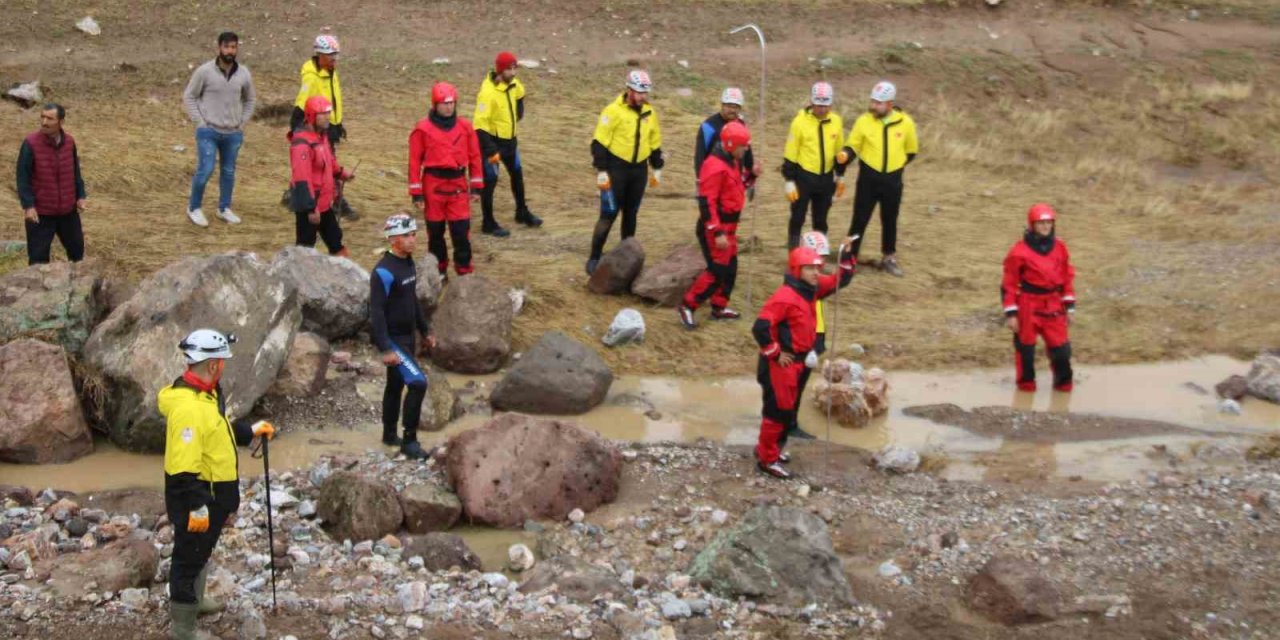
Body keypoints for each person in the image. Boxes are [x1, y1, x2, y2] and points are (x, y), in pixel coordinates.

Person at [159, 329, 274, 640]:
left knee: (201, 550)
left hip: (212, 495)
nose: (224, 366)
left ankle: (194, 601)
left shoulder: (205, 394)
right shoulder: (189, 408)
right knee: (188, 556)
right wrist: (197, 507)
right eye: (222, 362)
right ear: (212, 365)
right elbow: (183, 469)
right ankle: (183, 629)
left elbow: (217, 434)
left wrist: (251, 430)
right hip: (200, 498)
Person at [752, 241, 856, 479]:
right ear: (797, 270)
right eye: (810, 268)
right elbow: (760, 328)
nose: (816, 273)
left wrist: (847, 258)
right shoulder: (784, 298)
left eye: (817, 268)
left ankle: (771, 450)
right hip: (781, 366)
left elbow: (840, 281)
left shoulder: (811, 289)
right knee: (777, 412)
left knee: (786, 411)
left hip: (797, 364)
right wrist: (775, 353)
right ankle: (767, 459)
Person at [370, 213, 436, 460]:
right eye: (406, 235)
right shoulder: (383, 272)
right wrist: (385, 348)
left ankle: (388, 435)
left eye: (414, 234)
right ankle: (409, 441)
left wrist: (425, 330)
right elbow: (375, 312)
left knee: (395, 385)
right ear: (393, 238)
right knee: (418, 383)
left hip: (408, 336)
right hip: (394, 339)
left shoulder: (408, 263)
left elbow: (412, 300)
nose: (412, 240)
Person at [587, 70, 664, 275]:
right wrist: (601, 170)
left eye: (646, 93)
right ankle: (595, 256)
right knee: (608, 214)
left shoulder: (650, 113)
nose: (643, 97)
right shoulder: (612, 111)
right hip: (616, 169)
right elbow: (599, 142)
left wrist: (657, 167)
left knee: (631, 214)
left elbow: (654, 141)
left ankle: (627, 258)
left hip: (638, 170)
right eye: (639, 92)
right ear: (629, 89)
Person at [839, 80, 919, 277]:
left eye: (878, 103)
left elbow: (911, 152)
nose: (873, 106)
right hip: (868, 178)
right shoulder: (864, 121)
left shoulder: (905, 123)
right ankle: (849, 260)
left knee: (890, 219)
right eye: (872, 101)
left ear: (890, 104)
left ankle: (889, 258)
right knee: (859, 219)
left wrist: (895, 167)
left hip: (893, 179)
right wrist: (846, 156)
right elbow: (853, 146)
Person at [678, 121, 751, 329]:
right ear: (730, 144)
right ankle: (688, 305)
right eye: (742, 146)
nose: (745, 150)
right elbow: (706, 202)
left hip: (729, 227)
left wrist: (752, 174)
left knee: (731, 267)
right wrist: (717, 232)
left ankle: (719, 307)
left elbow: (737, 185)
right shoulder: (714, 166)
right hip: (716, 228)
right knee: (717, 269)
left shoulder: (732, 161)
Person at [408, 82, 484, 277]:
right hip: (433, 186)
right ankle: (438, 271)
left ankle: (464, 271)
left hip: (458, 185)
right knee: (435, 233)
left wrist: (476, 187)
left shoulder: (465, 127)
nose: (449, 107)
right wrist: (416, 193)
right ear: (435, 104)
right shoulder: (422, 129)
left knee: (461, 232)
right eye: (444, 103)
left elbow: (475, 156)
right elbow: (414, 161)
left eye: (452, 103)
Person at [182, 31, 256, 228]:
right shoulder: (204, 71)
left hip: (233, 132)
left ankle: (224, 208)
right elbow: (189, 96)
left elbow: (250, 99)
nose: (230, 51)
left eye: (233, 47)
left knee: (228, 172)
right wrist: (199, 121)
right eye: (227, 47)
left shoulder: (244, 73)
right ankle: (194, 207)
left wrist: (242, 122)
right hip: (209, 131)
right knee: (206, 169)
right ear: (219, 48)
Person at [1002, 203, 1076, 392]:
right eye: (1040, 223)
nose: (1045, 226)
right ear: (1032, 225)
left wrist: (1070, 306)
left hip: (1053, 304)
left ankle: (1063, 388)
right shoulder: (1018, 251)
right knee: (1025, 350)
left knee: (1061, 350)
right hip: (1028, 304)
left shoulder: (1060, 247)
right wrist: (1011, 313)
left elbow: (1067, 276)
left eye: (1048, 222)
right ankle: (1026, 389)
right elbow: (1009, 283)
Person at [290, 35, 358, 219]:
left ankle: (293, 194)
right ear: (319, 54)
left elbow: (333, 99)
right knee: (327, 165)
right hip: (318, 129)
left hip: (329, 125)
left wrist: (337, 123)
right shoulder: (312, 77)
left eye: (336, 54)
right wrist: (297, 127)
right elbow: (302, 103)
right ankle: (337, 201)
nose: (334, 58)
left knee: (316, 165)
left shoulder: (330, 71)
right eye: (330, 55)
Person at [474, 51, 541, 237]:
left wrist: (520, 109)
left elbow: (520, 92)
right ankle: (488, 222)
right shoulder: (488, 93)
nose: (513, 73)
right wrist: (490, 149)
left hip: (511, 142)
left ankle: (522, 212)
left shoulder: (513, 83)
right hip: (493, 144)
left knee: (517, 175)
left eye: (514, 68)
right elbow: (479, 125)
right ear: (500, 70)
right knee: (490, 182)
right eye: (509, 69)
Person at [16, 103, 86, 265]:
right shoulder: (30, 143)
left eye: (50, 118)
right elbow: (22, 177)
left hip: (68, 212)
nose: (44, 122)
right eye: (42, 117)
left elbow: (75, 170)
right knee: (38, 260)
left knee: (77, 254)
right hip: (41, 214)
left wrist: (80, 195)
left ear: (61, 121)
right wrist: (28, 206)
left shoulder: (69, 142)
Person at [782, 230, 835, 444]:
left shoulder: (811, 280)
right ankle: (787, 425)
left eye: (823, 258)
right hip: (800, 341)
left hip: (815, 334)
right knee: (791, 385)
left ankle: (787, 422)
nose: (820, 264)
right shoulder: (796, 284)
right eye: (816, 258)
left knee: (798, 384)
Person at [781, 82, 844, 249]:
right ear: (812, 102)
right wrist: (789, 180)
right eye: (818, 105)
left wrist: (840, 175)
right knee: (798, 216)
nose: (822, 109)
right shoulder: (799, 122)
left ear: (830, 103)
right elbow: (791, 152)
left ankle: (819, 252)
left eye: (825, 105)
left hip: (826, 178)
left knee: (821, 219)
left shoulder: (836, 121)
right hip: (804, 176)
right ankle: (794, 252)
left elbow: (839, 151)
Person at [288, 96, 352, 257]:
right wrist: (310, 209)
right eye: (322, 114)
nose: (327, 117)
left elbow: (329, 161)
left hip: (323, 204)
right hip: (310, 205)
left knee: (336, 241)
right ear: (311, 116)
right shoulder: (302, 144)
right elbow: (302, 179)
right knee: (305, 247)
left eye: (328, 112)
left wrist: (341, 173)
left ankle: (345, 276)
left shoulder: (321, 136)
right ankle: (299, 278)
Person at [693, 87, 760, 184]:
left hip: (734, 181)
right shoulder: (708, 126)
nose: (732, 110)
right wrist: (700, 178)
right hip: (712, 180)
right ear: (722, 105)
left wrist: (751, 171)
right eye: (729, 106)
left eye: (736, 107)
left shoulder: (741, 125)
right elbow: (699, 155)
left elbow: (747, 151)